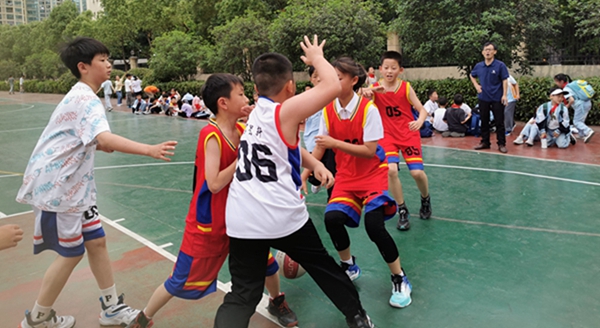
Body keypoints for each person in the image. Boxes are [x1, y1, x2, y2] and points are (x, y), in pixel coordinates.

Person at [15, 37, 177, 328]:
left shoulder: (81, 95)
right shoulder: (86, 99)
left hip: (77, 189)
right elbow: (104, 137)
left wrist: (97, 145)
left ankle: (111, 308)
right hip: (60, 189)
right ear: (83, 67)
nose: (109, 65)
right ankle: (38, 319)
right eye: (102, 60)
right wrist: (148, 149)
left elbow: (82, 138)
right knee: (71, 253)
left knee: (97, 242)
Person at [214, 36, 374, 328]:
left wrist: (314, 163)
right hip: (281, 214)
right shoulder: (284, 111)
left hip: (242, 217)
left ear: (256, 89)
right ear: (290, 86)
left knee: (243, 295)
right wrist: (316, 57)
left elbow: (281, 144)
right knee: (324, 268)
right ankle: (357, 317)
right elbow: (332, 85)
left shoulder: (256, 114)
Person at [127, 74, 297, 328]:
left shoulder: (243, 129)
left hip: (241, 217)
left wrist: (257, 121)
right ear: (223, 103)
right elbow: (214, 183)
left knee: (265, 263)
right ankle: (144, 317)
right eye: (241, 94)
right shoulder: (211, 135)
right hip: (209, 222)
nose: (247, 98)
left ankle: (276, 300)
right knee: (180, 278)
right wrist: (242, 158)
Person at [305, 57, 412, 308]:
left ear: (354, 80)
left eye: (338, 78)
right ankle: (349, 265)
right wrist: (303, 174)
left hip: (372, 174)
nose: (333, 82)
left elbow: (369, 150)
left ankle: (399, 277)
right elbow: (320, 148)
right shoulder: (328, 110)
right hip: (346, 176)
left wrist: (335, 143)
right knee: (332, 219)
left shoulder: (368, 110)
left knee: (374, 226)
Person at [362, 51, 432, 231]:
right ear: (380, 69)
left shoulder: (406, 88)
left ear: (400, 70)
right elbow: (356, 96)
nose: (389, 71)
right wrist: (367, 92)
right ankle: (402, 209)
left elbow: (422, 109)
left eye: (393, 68)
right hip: (386, 136)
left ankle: (425, 198)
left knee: (417, 173)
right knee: (391, 170)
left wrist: (419, 121)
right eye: (386, 68)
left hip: (408, 134)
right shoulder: (374, 88)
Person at [470, 42, 509, 153]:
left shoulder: (500, 65)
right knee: (484, 120)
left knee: (499, 122)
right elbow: (472, 75)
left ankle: (501, 144)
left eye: (490, 49)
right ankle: (485, 142)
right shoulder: (479, 66)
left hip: (497, 98)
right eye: (485, 49)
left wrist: (504, 95)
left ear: (494, 52)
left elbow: (505, 80)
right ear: (482, 52)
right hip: (483, 97)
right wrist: (476, 85)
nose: (487, 52)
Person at [304, 66, 337, 196]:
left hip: (329, 141)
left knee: (330, 170)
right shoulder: (306, 98)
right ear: (311, 79)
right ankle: (315, 181)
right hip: (313, 142)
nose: (318, 79)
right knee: (314, 173)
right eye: (315, 76)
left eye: (320, 75)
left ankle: (331, 193)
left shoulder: (333, 94)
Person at [554, 74, 595, 143]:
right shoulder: (572, 85)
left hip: (580, 105)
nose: (556, 83)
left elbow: (571, 100)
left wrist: (567, 106)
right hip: (587, 103)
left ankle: (588, 131)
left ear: (561, 81)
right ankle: (582, 134)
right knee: (580, 121)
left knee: (576, 121)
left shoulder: (566, 89)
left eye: (556, 81)